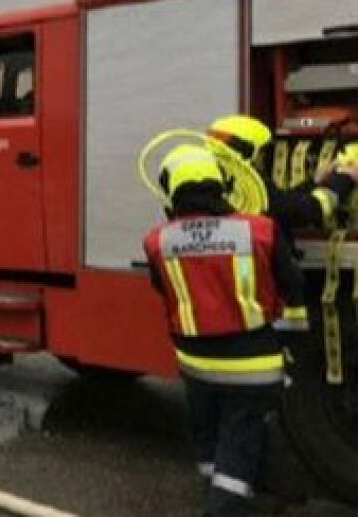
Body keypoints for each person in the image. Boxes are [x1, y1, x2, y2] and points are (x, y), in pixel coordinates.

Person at [143, 145, 307, 516]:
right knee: (240, 439)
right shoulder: (260, 230)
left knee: (208, 430)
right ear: (222, 184)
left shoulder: (157, 241)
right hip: (253, 365)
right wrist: (289, 341)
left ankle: (218, 485)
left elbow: (164, 291)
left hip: (196, 366)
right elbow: (293, 286)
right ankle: (224, 506)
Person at [207, 115, 358, 237]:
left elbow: (282, 203)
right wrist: (342, 179)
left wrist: (314, 181)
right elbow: (305, 211)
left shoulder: (211, 178)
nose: (263, 158)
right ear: (247, 150)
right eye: (262, 151)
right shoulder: (250, 188)